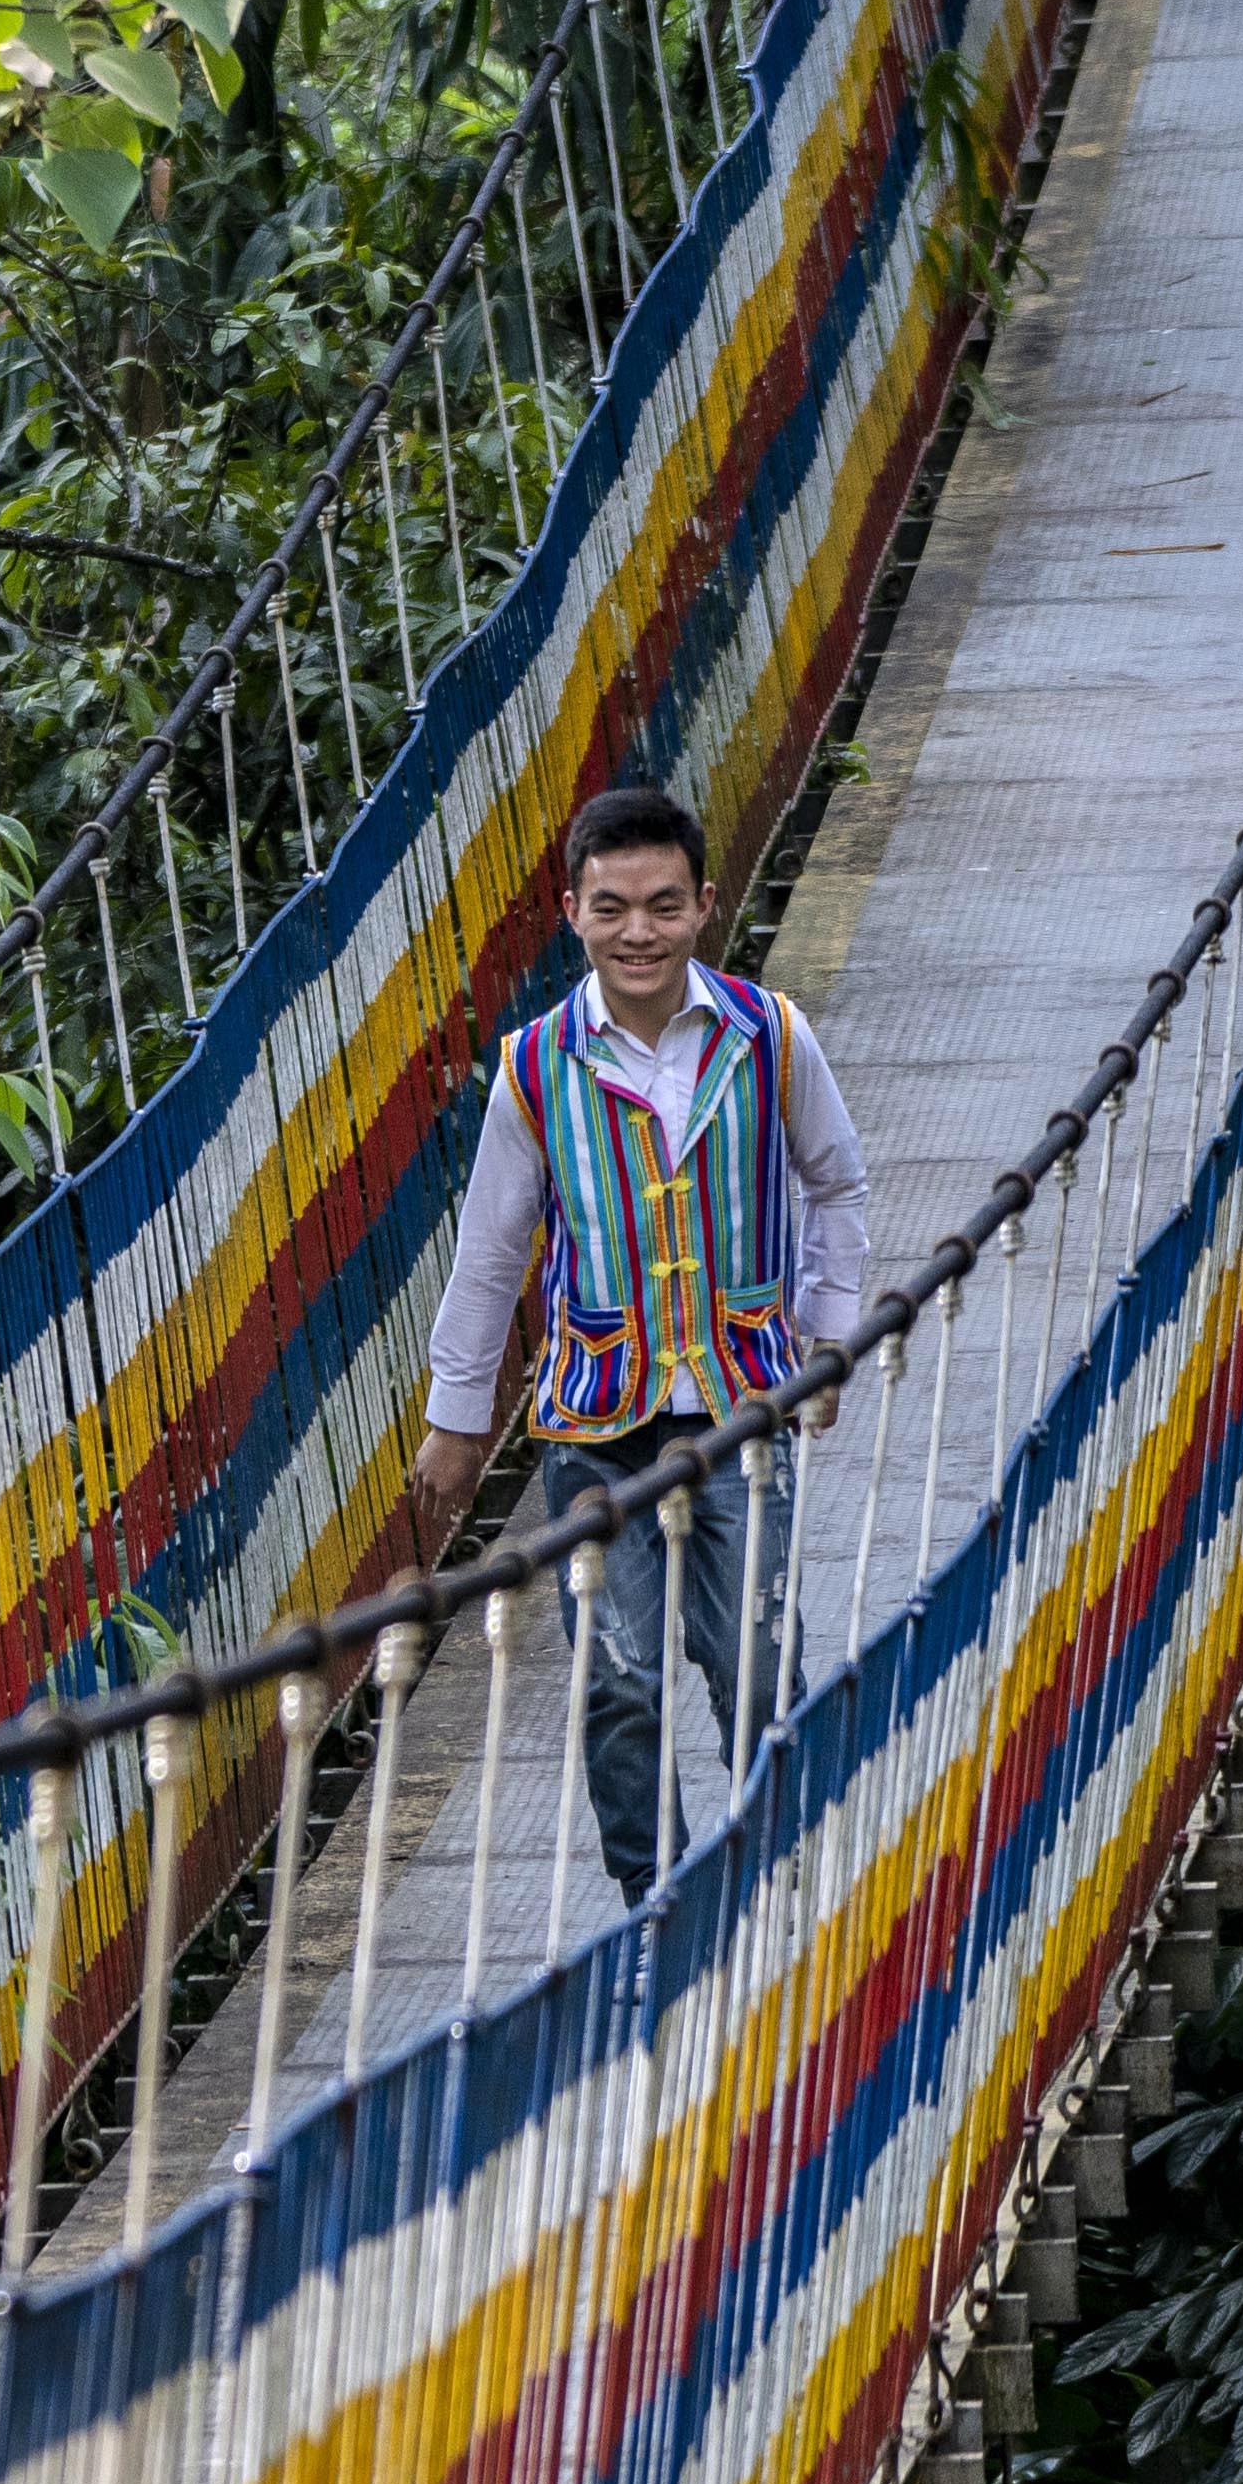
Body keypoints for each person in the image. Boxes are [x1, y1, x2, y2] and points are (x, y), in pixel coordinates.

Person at [405, 780, 872, 1900]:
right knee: (618, 1681)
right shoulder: (533, 1066)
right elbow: (489, 1251)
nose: (638, 934)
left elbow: (836, 1184)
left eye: (662, 906)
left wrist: (830, 1336)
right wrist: (457, 1419)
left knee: (753, 1655)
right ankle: (655, 1906)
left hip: (737, 1406)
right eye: (611, 909)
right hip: (595, 1424)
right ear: (572, 911)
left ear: (704, 904)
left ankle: (778, 1882)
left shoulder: (770, 1035)